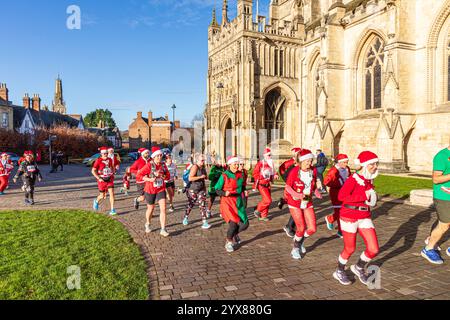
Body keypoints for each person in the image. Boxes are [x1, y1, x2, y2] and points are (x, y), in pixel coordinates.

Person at [332, 151, 380, 286]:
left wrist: (373, 199)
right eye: (372, 164)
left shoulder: (369, 179)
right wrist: (364, 196)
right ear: (364, 165)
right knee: (350, 248)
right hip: (349, 216)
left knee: (374, 249)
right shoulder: (353, 179)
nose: (375, 166)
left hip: (365, 216)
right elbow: (341, 196)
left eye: (376, 163)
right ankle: (339, 271)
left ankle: (358, 268)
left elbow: (368, 196)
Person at [284, 149, 322, 260]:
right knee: (301, 227)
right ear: (301, 161)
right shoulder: (294, 171)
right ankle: (295, 248)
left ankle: (299, 241)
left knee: (312, 228)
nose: (310, 164)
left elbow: (313, 184)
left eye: (311, 161)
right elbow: (288, 187)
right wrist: (297, 195)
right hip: (295, 202)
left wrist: (316, 192)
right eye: (307, 161)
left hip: (307, 200)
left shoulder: (313, 171)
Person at [421, 143, 450, 264]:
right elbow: (436, 179)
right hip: (443, 196)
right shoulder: (441, 156)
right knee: (445, 224)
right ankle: (428, 249)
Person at [215, 156, 249, 253]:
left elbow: (242, 186)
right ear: (229, 164)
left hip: (238, 201)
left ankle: (233, 235)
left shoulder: (241, 174)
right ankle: (229, 241)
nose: (237, 166)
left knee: (245, 224)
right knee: (233, 224)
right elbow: (217, 189)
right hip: (228, 202)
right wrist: (224, 193)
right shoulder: (224, 175)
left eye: (238, 164)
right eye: (235, 164)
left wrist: (244, 191)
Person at [136, 146, 170, 237]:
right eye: (157, 156)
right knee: (151, 209)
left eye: (160, 155)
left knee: (163, 208)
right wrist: (149, 179)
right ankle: (147, 223)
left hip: (160, 188)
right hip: (150, 189)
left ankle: (163, 229)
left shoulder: (163, 165)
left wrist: (163, 177)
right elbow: (139, 175)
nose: (159, 157)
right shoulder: (149, 165)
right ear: (154, 157)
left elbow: (168, 176)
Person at [324, 154, 352, 238]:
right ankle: (340, 231)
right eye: (344, 162)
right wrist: (339, 183)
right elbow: (326, 182)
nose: (346, 164)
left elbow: (349, 178)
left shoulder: (347, 169)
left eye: (347, 162)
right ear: (339, 162)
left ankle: (330, 218)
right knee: (340, 212)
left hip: (345, 193)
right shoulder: (333, 171)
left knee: (345, 210)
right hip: (336, 193)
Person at [183, 154, 211, 229]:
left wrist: (208, 177)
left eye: (204, 160)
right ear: (197, 161)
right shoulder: (195, 167)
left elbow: (205, 176)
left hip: (201, 189)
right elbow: (190, 178)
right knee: (191, 204)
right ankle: (186, 217)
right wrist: (200, 177)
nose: (203, 161)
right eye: (202, 160)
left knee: (202, 204)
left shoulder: (203, 167)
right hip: (193, 189)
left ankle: (204, 222)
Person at [253, 148, 279, 221]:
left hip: (268, 184)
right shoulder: (260, 163)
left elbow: (272, 172)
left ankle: (263, 215)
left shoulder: (271, 163)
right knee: (268, 200)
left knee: (266, 200)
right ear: (265, 156)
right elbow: (255, 174)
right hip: (261, 185)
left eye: (271, 155)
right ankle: (257, 210)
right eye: (269, 155)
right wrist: (262, 176)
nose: (270, 157)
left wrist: (275, 175)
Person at [91, 147, 117, 216]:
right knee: (102, 196)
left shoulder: (110, 160)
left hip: (110, 179)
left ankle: (112, 209)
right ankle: (96, 201)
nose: (106, 154)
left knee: (112, 193)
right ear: (101, 154)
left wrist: (113, 171)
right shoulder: (98, 160)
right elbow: (93, 170)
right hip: (102, 180)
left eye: (106, 153)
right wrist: (98, 178)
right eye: (104, 153)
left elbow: (112, 167)